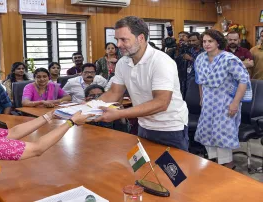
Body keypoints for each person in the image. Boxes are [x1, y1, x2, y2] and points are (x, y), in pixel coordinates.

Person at [96, 16, 189, 151]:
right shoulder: (123, 62)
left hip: (170, 128)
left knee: (170, 171)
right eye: (117, 40)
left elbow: (161, 103)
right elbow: (113, 93)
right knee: (145, 170)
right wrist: (87, 107)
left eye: (123, 40)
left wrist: (119, 114)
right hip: (144, 125)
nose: (118, 45)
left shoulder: (161, 61)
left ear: (140, 38)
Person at [194, 29, 250, 169]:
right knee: (207, 133)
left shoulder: (229, 59)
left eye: (210, 41)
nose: (206, 44)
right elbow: (200, 81)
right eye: (204, 41)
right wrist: (201, 98)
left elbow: (243, 80)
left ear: (218, 42)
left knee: (222, 136)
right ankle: (214, 165)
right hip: (208, 103)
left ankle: (228, 166)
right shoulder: (200, 58)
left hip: (225, 103)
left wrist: (235, 103)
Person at [181, 32, 205, 99]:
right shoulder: (188, 50)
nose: (191, 43)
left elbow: (204, 64)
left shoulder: (204, 51)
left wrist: (190, 58)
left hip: (198, 79)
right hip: (187, 77)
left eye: (194, 40)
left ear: (200, 40)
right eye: (190, 41)